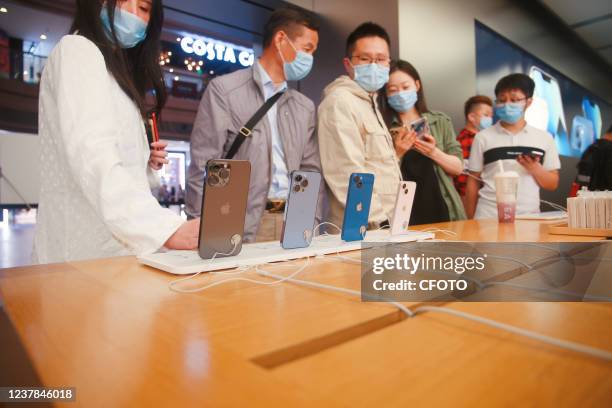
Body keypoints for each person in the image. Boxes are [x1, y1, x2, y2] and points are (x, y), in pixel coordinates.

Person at [34, 0, 200, 264]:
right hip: (83, 252)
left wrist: (143, 160)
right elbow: (92, 155)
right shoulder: (78, 50)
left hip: (115, 249)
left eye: (144, 9)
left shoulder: (113, 73)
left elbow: (110, 159)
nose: (133, 14)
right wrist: (165, 228)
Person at [186, 7, 322, 242]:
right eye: (307, 49)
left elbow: (310, 171)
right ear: (281, 39)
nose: (309, 58)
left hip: (292, 223)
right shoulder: (225, 90)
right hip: (240, 222)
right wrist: (199, 228)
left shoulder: (304, 106)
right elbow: (204, 165)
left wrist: (312, 222)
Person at [318, 22, 402, 229]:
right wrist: (381, 223)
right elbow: (347, 173)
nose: (374, 65)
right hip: (364, 229)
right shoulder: (340, 101)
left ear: (388, 63)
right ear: (348, 64)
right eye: (365, 59)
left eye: (381, 59)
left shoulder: (369, 103)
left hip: (387, 225)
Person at [380, 60, 466, 225]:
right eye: (392, 90)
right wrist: (398, 153)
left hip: (442, 207)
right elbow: (381, 176)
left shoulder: (439, 121)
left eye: (406, 87)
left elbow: (457, 168)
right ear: (386, 94)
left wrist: (433, 152)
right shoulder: (383, 127)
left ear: (417, 85)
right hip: (401, 211)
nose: (400, 93)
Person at [466, 73, 561, 219]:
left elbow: (552, 184)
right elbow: (473, 180)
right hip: (488, 216)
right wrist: (470, 219)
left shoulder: (544, 138)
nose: (507, 104)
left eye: (515, 100)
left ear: (528, 102)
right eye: (502, 100)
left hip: (529, 218)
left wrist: (534, 168)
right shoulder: (483, 137)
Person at [453, 95, 493, 206]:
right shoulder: (466, 141)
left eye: (491, 115)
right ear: (471, 117)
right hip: (471, 200)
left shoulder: (480, 138)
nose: (489, 119)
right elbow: (464, 178)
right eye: (486, 115)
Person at [575, 124, 612, 191]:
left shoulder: (591, 147)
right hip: (604, 197)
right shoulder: (608, 150)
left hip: (585, 196)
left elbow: (581, 179)